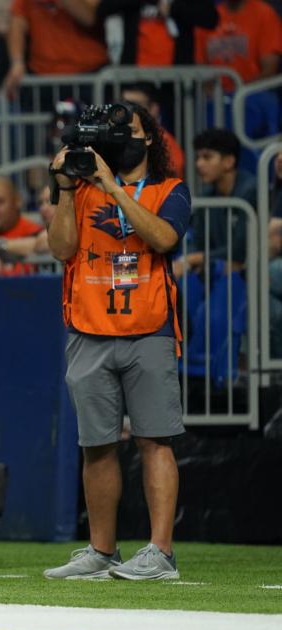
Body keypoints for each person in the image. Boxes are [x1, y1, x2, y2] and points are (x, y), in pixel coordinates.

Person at [46, 102, 191, 580]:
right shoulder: (81, 190)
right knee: (97, 446)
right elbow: (62, 249)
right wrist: (66, 190)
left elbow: (164, 238)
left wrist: (111, 186)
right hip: (87, 330)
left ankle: (160, 553)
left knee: (154, 441)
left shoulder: (170, 189)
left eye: (127, 131)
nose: (119, 139)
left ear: (148, 138)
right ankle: (101, 550)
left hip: (149, 330)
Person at [175, 129, 256, 277]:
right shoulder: (205, 197)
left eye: (207, 157)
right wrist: (193, 259)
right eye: (198, 157)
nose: (199, 164)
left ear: (229, 161)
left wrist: (197, 258)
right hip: (217, 269)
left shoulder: (251, 192)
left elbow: (241, 249)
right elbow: (198, 242)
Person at [3, 0, 107, 98]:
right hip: (42, 78)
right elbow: (17, 23)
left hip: (89, 76)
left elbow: (89, 18)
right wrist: (17, 62)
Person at [95, 0, 218, 67]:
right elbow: (102, 10)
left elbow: (211, 19)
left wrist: (173, 8)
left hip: (176, 80)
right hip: (136, 79)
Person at [195, 0, 282, 86]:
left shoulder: (265, 14)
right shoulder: (206, 17)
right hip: (214, 96)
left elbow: (269, 71)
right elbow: (198, 68)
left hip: (253, 92)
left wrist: (240, 92)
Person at [120, 84, 184, 179]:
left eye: (135, 106)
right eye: (124, 105)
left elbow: (172, 175)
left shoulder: (165, 141)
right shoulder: (117, 136)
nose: (128, 111)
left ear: (154, 108)